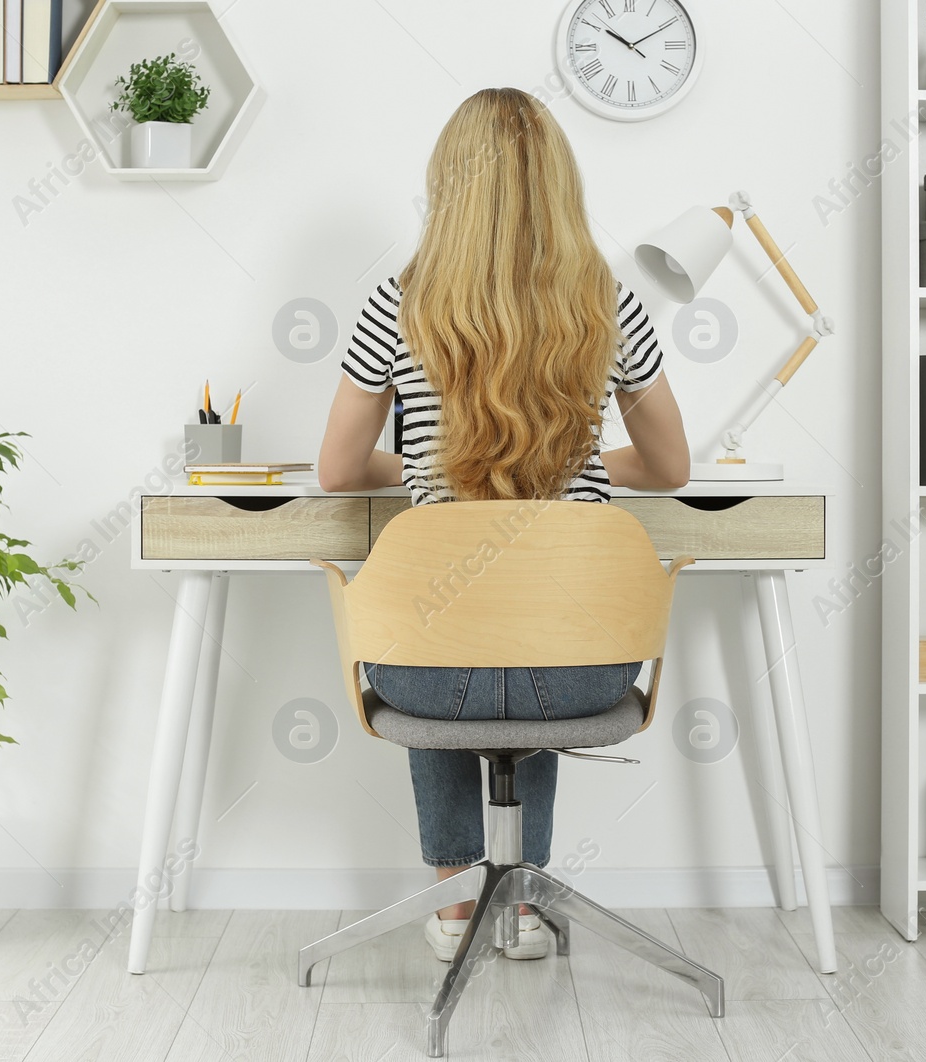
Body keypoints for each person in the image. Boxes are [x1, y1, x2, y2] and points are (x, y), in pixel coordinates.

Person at [317, 86, 688, 963]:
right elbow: (672, 469)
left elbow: (335, 473)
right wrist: (591, 472)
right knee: (550, 612)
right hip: (584, 680)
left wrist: (427, 472)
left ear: (450, 186)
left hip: (430, 688)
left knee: (439, 619)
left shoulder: (396, 306)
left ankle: (454, 903)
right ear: (559, 185)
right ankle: (518, 905)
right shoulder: (608, 305)